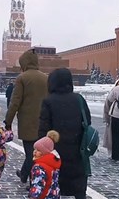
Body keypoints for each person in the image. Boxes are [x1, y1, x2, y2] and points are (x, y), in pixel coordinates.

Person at [38, 68, 90, 199]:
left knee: (55, 189)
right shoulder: (79, 99)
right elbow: (87, 121)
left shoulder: (48, 101)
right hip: (78, 152)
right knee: (79, 191)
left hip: (56, 155)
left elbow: (43, 131)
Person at [4, 49, 48, 187]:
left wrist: (8, 121)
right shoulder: (45, 77)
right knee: (40, 153)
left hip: (27, 123)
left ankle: (34, 183)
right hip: (44, 123)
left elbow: (15, 102)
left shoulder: (22, 78)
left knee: (31, 154)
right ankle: (24, 174)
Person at [29, 130, 61, 199]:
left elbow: (38, 185)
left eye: (38, 150)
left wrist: (33, 197)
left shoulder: (39, 167)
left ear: (45, 152)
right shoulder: (53, 163)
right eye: (35, 149)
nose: (35, 152)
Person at [103, 79, 119, 157]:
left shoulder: (113, 94)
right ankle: (115, 152)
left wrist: (106, 117)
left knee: (112, 136)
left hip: (113, 116)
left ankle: (114, 152)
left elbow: (107, 105)